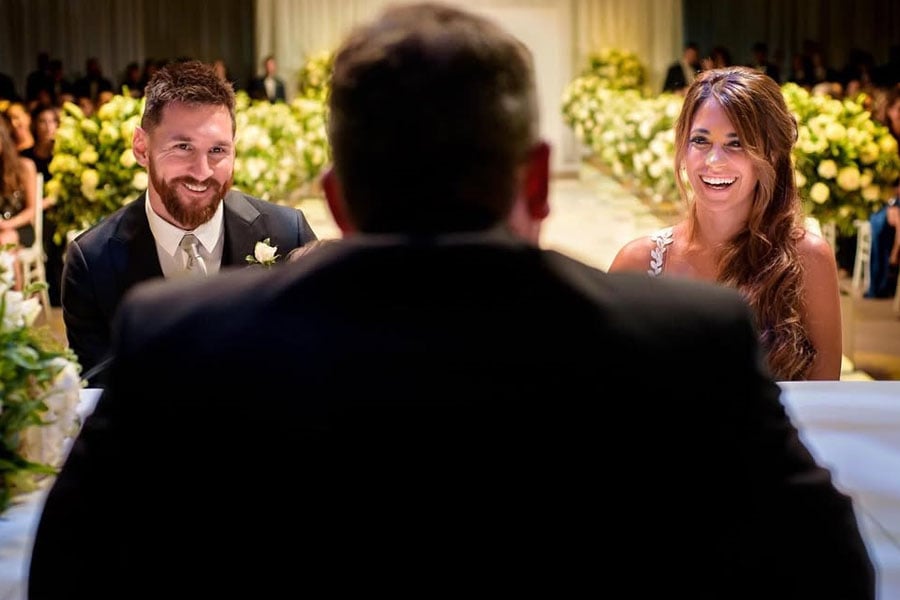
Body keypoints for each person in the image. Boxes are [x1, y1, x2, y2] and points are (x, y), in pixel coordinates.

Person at [29, 4, 874, 598]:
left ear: (338, 200)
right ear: (537, 183)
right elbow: (831, 572)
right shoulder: (689, 340)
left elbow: (70, 571)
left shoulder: (178, 341)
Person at [60, 59, 318, 386]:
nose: (202, 172)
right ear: (141, 148)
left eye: (217, 150)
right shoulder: (92, 261)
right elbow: (101, 392)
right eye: (183, 147)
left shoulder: (287, 233)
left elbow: (322, 356)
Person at [609, 66, 842, 381]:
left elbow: (825, 396)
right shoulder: (637, 263)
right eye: (700, 140)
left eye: (736, 144)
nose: (714, 161)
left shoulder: (808, 260)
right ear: (682, 147)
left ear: (772, 154)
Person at [0, 115, 38, 290]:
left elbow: (31, 210)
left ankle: (15, 299)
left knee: (5, 240)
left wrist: (6, 224)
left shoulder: (24, 166)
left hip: (20, 226)